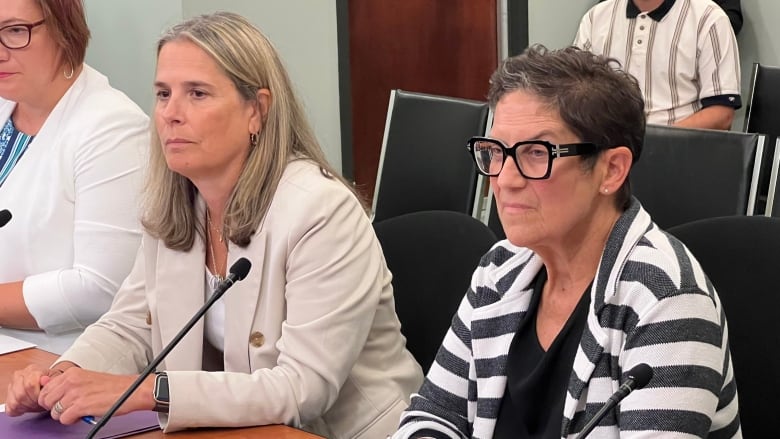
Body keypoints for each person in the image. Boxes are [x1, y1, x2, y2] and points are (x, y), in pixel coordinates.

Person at [5, 11, 423, 439]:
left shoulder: (320, 212)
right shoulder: (179, 200)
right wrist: (61, 377)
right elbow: (129, 326)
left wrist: (153, 392)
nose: (171, 113)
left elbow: (301, 389)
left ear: (256, 111)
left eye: (198, 94)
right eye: (163, 94)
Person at [393, 45, 740, 438]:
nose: (505, 179)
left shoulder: (667, 298)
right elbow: (434, 413)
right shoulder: (499, 270)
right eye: (495, 152)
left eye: (536, 153)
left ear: (611, 170)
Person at [0, 0, 147, 354]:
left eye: (15, 31)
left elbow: (98, 288)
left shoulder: (114, 128)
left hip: (60, 360)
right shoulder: (7, 103)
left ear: (65, 30)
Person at [575, 0, 741, 130]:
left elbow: (721, 115)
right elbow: (573, 97)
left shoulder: (710, 19)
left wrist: (653, 142)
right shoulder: (595, 18)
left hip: (677, 152)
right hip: (607, 150)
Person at [598, 0, 743, 35]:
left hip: (682, 95)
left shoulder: (712, 17)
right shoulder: (598, 15)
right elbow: (608, 15)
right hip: (618, 98)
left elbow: (732, 22)